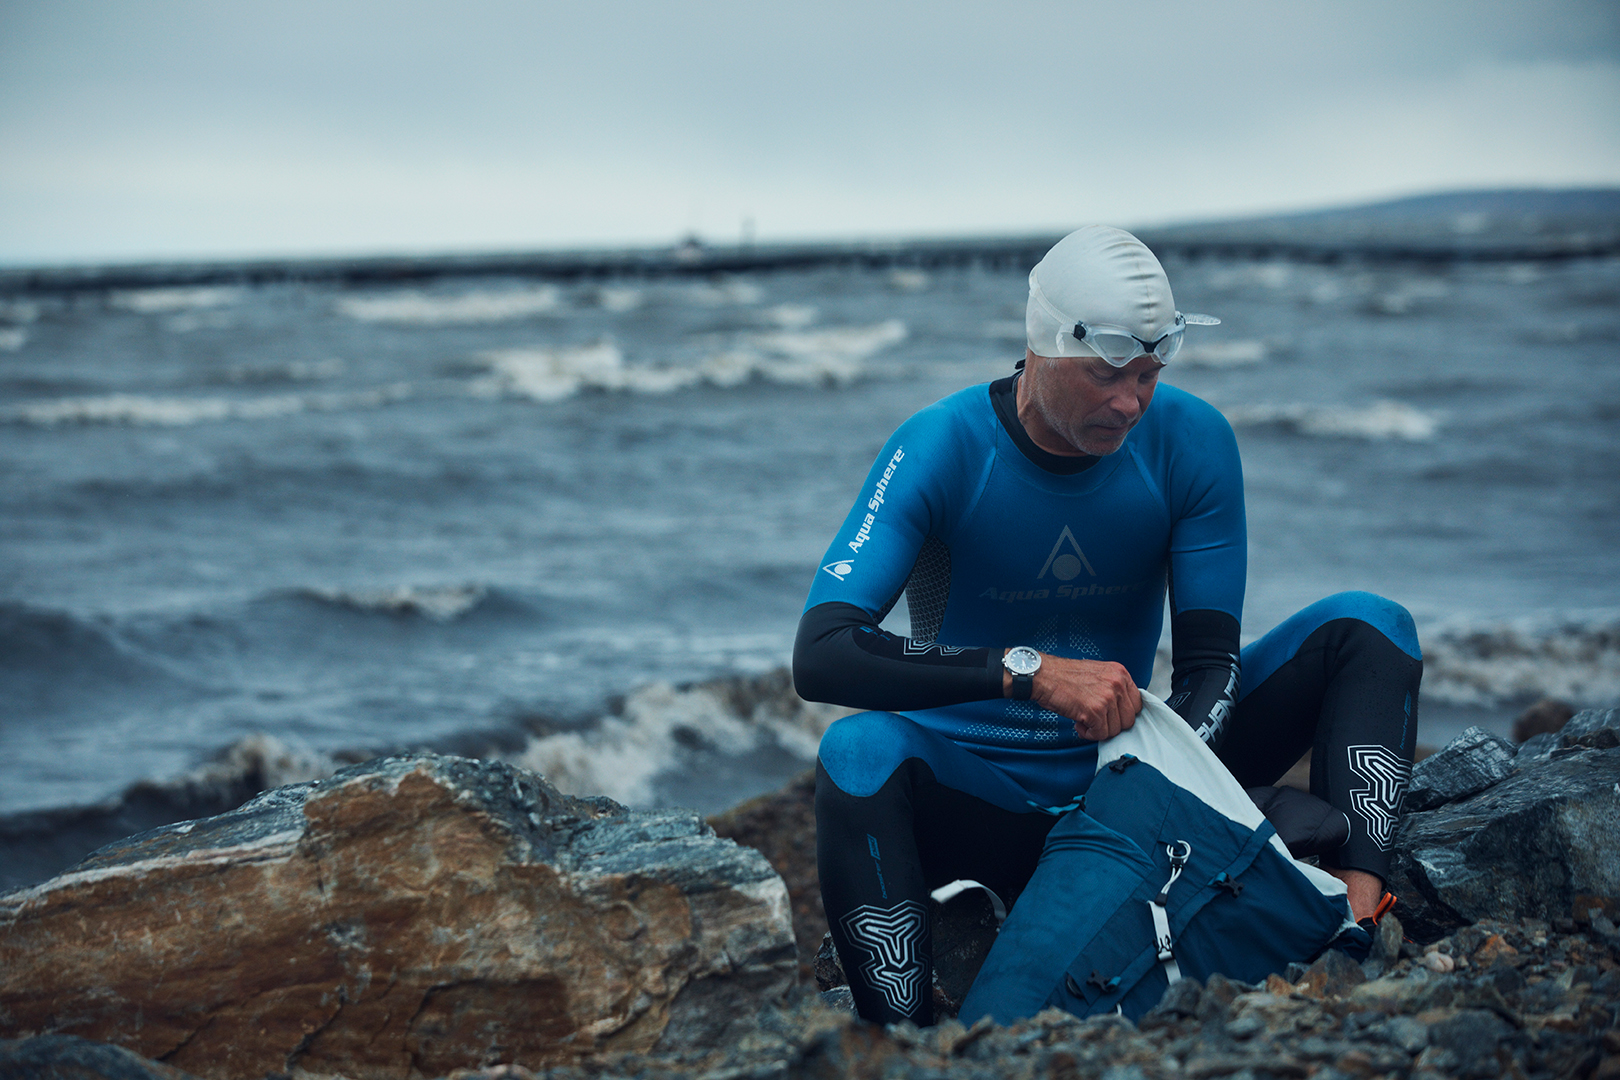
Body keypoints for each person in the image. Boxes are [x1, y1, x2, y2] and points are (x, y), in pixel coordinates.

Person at [793, 225, 1421, 1026]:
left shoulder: (1190, 441)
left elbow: (1209, 666)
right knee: (855, 752)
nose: (1130, 402)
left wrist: (1150, 780)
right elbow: (822, 652)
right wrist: (1029, 672)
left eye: (1150, 374)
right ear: (1045, 346)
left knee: (1369, 625)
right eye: (1106, 375)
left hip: (1131, 772)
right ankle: (905, 1043)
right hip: (985, 803)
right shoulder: (942, 448)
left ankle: (1356, 912)